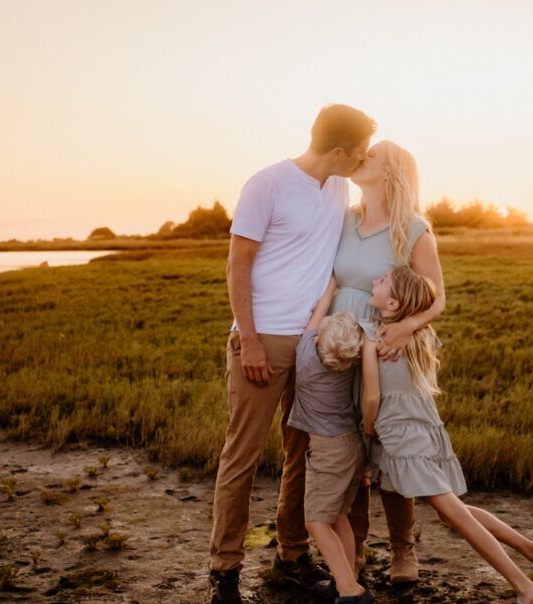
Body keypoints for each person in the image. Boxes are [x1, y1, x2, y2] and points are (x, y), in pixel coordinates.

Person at [209, 104, 376, 604]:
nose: (364, 158)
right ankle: (224, 571)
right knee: (242, 454)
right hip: (265, 340)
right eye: (361, 151)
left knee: (303, 452)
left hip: (315, 344)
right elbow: (237, 264)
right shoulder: (267, 185)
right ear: (340, 151)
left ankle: (291, 554)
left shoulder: (340, 188)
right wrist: (251, 338)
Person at [362, 265, 533, 604]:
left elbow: (371, 397)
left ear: (394, 305)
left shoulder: (377, 339)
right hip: (423, 431)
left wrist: (368, 428)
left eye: (381, 281)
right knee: (450, 509)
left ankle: (528, 591)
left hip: (400, 438)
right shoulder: (419, 335)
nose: (373, 280)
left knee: (453, 513)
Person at [330, 140, 444, 584]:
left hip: (386, 346)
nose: (362, 158)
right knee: (348, 447)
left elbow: (437, 298)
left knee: (392, 447)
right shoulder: (344, 220)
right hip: (340, 344)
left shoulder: (413, 229)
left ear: (392, 172)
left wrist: (405, 327)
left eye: (372, 156)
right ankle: (354, 549)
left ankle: (403, 550)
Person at [284, 294, 375, 604]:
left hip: (329, 452)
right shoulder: (348, 365)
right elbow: (324, 330)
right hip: (353, 445)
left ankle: (351, 591)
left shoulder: (307, 361)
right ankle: (344, 578)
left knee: (317, 521)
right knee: (338, 516)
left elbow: (315, 319)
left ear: (319, 342)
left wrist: (329, 291)